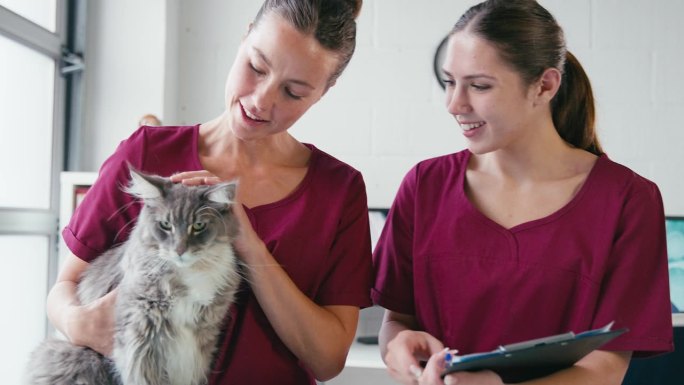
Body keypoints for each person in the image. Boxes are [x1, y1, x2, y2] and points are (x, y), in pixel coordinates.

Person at [48, 1, 371, 384]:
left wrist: (249, 244)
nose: (261, 101)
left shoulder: (339, 190)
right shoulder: (146, 153)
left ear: (324, 90)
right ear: (245, 35)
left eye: (293, 92)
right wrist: (80, 323)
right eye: (256, 67)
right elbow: (63, 288)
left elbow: (328, 360)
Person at [372, 1, 673, 384]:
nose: (453, 104)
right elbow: (396, 322)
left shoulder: (628, 201)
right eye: (449, 81)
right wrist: (399, 349)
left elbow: (606, 368)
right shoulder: (424, 186)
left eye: (479, 86)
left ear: (544, 85)